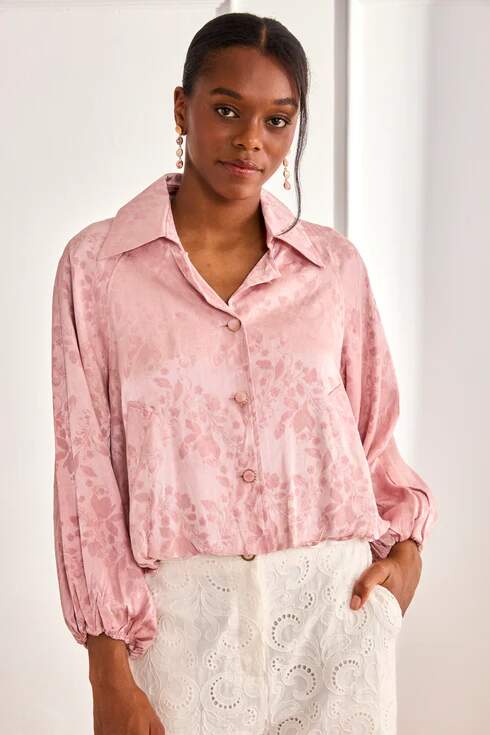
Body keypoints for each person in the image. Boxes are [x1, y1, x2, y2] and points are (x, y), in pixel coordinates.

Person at [50, 11, 439, 735]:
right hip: (179, 629)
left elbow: (375, 436)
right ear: (182, 108)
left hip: (335, 615)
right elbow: (86, 475)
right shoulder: (98, 268)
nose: (251, 139)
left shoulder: (332, 269)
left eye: (277, 120)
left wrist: (407, 553)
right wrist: (107, 669)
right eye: (227, 110)